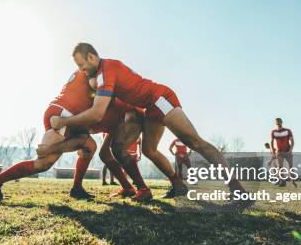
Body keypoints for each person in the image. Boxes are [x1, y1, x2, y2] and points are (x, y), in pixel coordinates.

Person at [50, 43, 250, 207]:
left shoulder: (107, 70)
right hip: (149, 107)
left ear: (92, 57)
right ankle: (178, 186)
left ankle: (239, 192)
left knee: (195, 143)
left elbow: (97, 113)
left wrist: (64, 121)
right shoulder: (100, 73)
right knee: (149, 150)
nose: (81, 70)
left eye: (82, 65)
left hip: (159, 98)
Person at [0, 71, 98, 202]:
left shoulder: (85, 71)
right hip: (64, 114)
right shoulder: (94, 70)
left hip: (64, 112)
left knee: (90, 146)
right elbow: (97, 87)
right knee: (43, 164)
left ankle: (77, 188)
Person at [270, 118, 296, 187]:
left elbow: (292, 141)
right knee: (280, 167)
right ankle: (282, 182)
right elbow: (272, 142)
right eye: (277, 122)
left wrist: (290, 150)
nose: (278, 123)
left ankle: (293, 181)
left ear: (282, 122)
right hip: (279, 152)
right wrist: (273, 151)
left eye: (279, 122)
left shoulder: (287, 130)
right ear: (275, 123)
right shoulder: (273, 132)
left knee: (291, 167)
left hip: (287, 151)